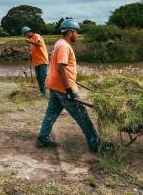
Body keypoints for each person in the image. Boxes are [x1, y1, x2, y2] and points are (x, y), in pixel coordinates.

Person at [36, 19, 101, 152]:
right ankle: (95, 144)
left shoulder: (59, 43)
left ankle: (42, 138)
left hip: (54, 85)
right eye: (77, 32)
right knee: (82, 116)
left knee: (51, 113)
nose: (78, 35)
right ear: (70, 32)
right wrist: (69, 90)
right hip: (63, 88)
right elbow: (61, 68)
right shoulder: (65, 46)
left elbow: (57, 65)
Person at [21, 26, 48, 97]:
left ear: (28, 32)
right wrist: (30, 54)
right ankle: (42, 92)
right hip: (36, 62)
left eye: (25, 35)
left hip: (42, 60)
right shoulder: (31, 40)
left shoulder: (36, 36)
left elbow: (39, 44)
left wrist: (30, 41)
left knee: (43, 76)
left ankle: (51, 91)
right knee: (39, 78)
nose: (26, 37)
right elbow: (34, 51)